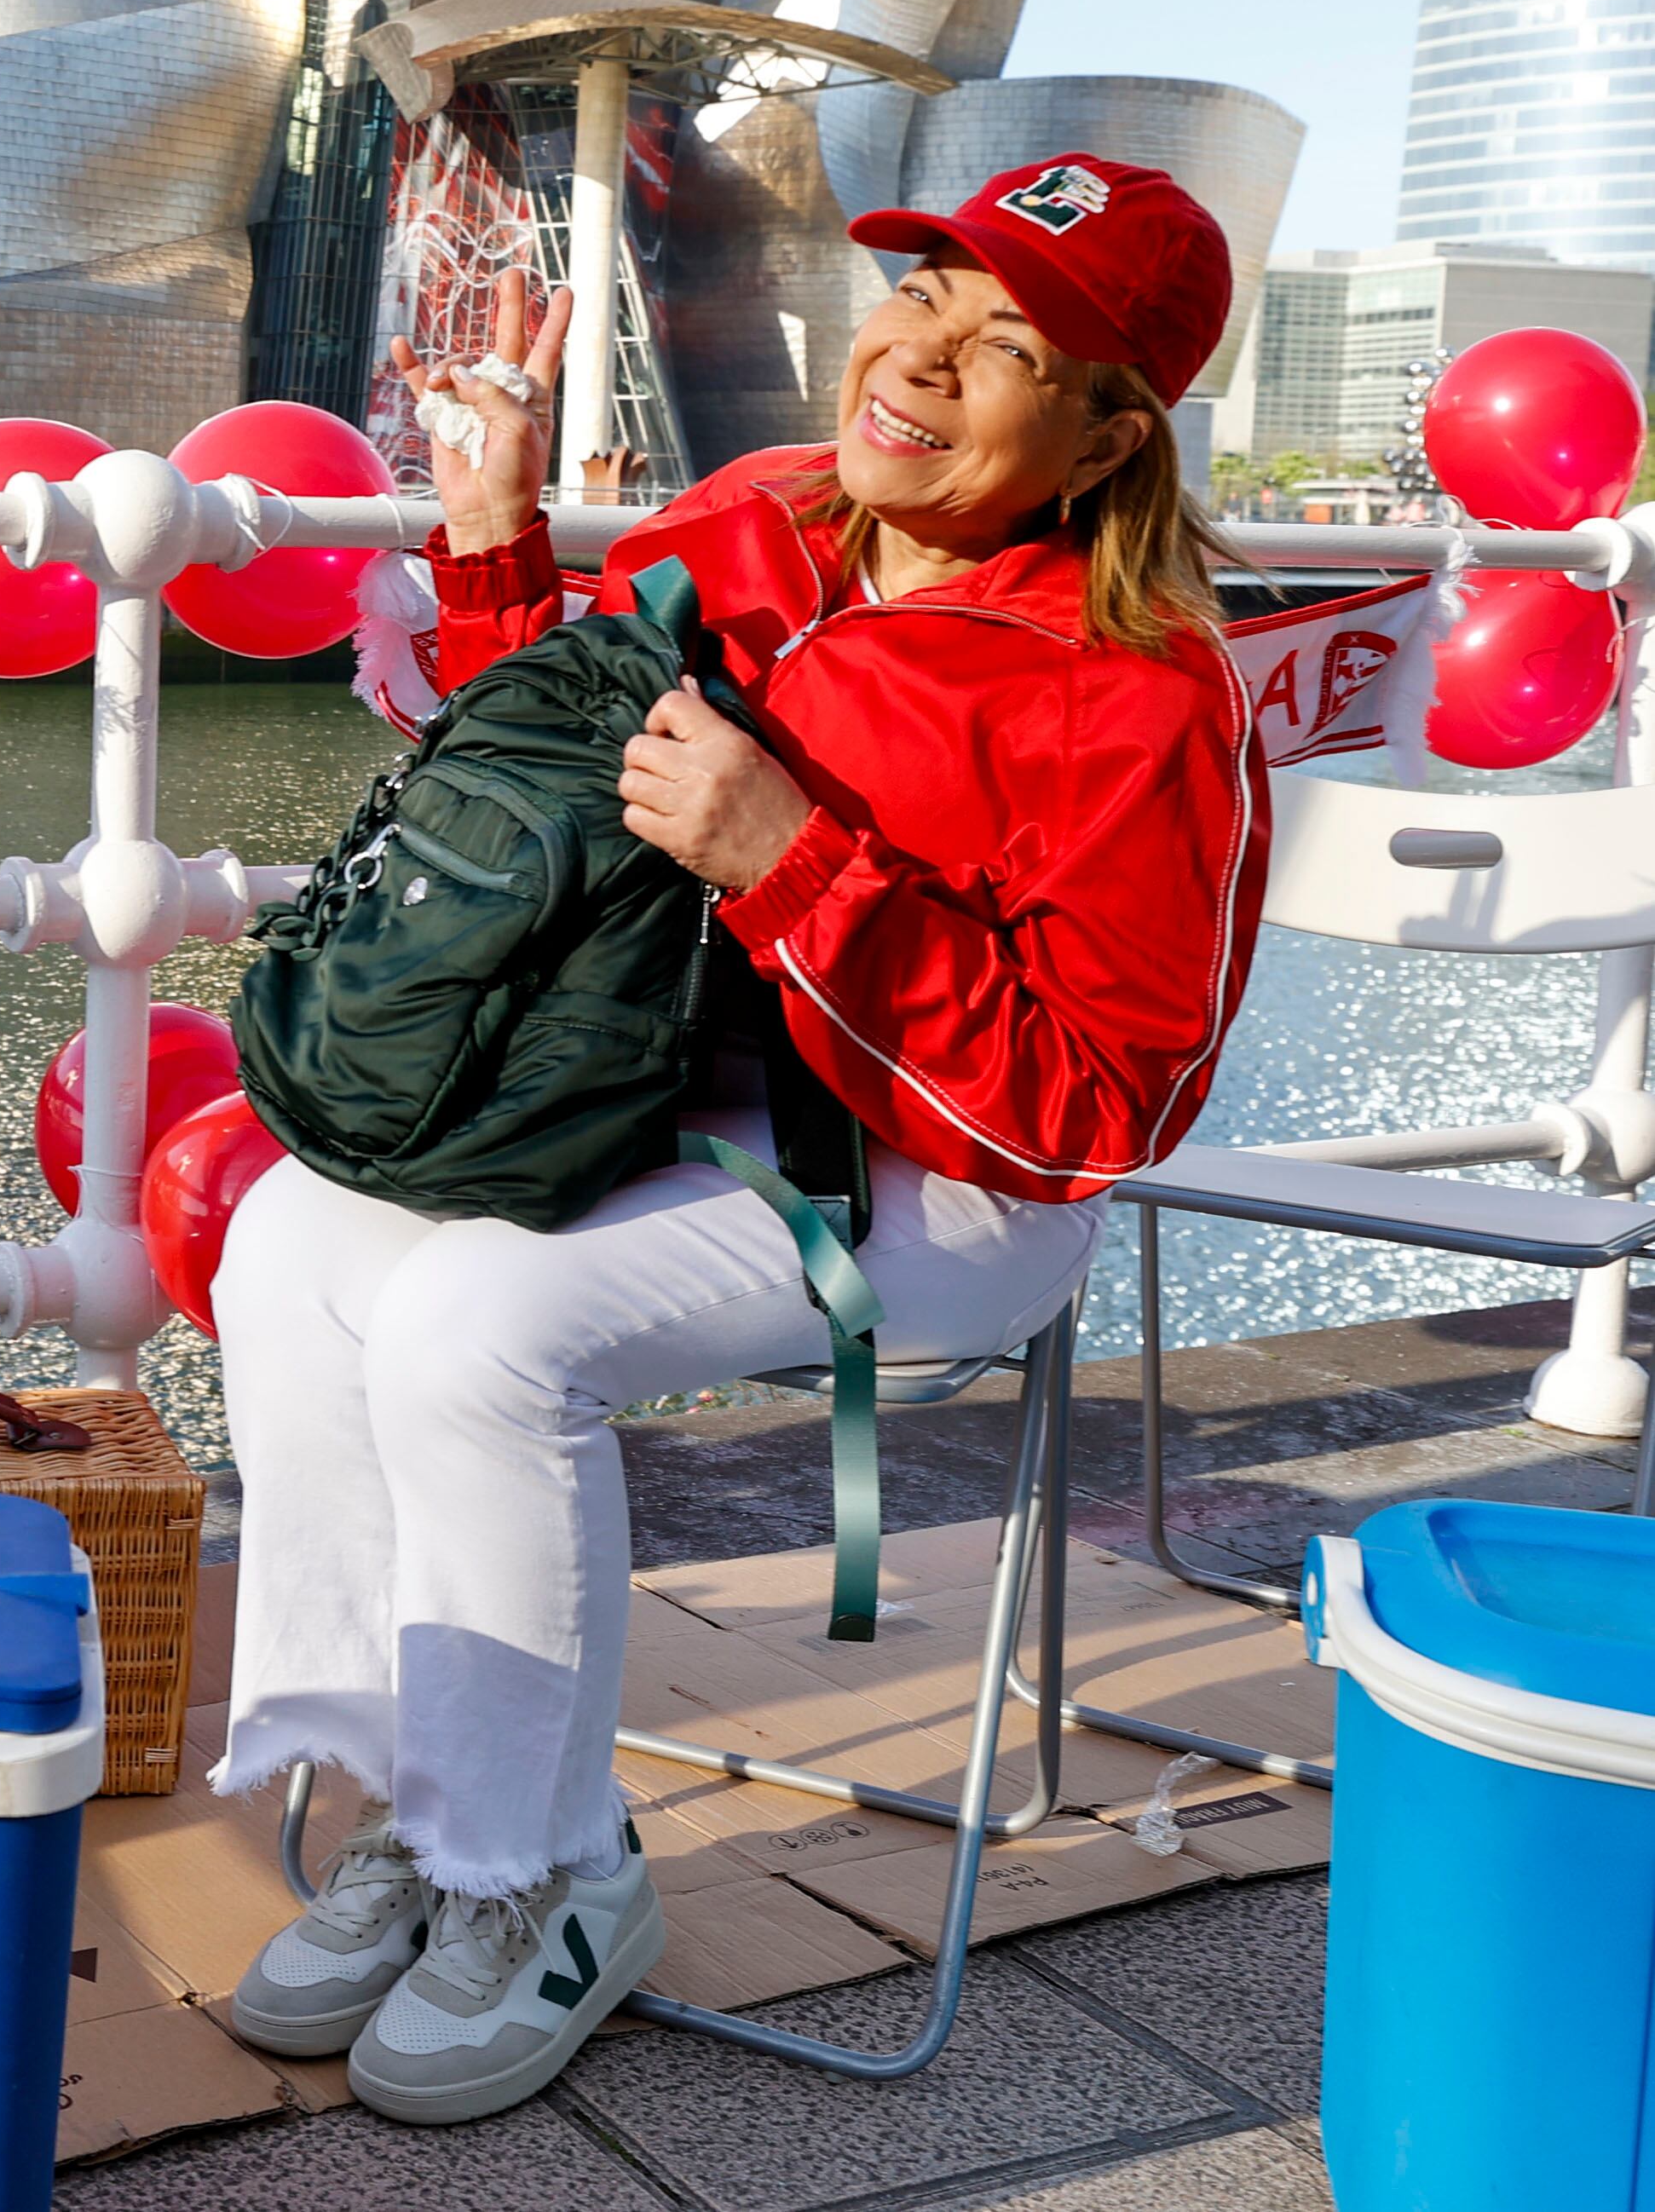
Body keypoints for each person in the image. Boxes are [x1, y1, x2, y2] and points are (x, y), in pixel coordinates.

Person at [212, 155, 1266, 2126]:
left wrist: (794, 859)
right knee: (291, 1235)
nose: (920, 357)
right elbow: (545, 761)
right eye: (919, 294)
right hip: (648, 1102)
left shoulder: (1142, 698)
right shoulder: (766, 511)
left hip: (944, 1183)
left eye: (1007, 343)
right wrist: (498, 529)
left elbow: (1095, 1110)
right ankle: (420, 1803)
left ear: (1113, 427)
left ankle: (544, 1877)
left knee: (474, 1331)